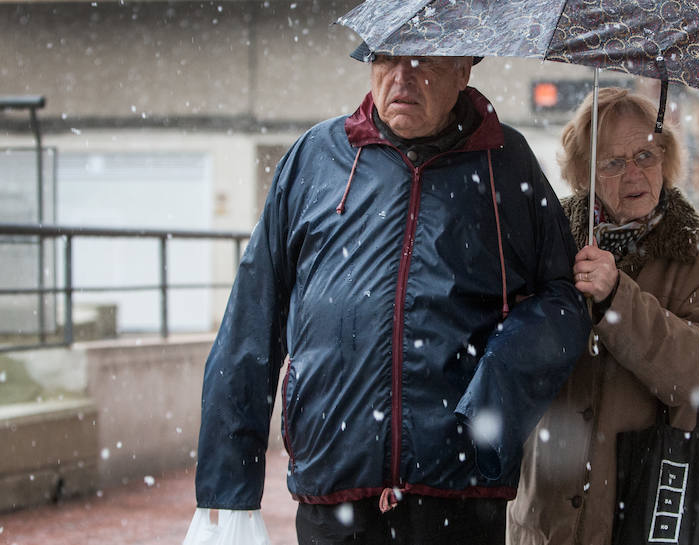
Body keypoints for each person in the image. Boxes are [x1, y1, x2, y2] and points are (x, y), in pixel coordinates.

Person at [190, 44, 591, 545]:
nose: (402, 78)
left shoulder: (506, 165)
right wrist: (228, 486)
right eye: (387, 61)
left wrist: (496, 387)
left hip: (459, 485)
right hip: (334, 474)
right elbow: (252, 319)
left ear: (464, 71)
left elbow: (562, 301)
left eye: (426, 63)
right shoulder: (315, 158)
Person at [506, 87, 699, 545]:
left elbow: (698, 375)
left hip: (646, 507)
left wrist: (618, 299)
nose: (633, 173)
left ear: (666, 158)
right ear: (584, 173)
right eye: (612, 162)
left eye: (645, 155)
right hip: (547, 510)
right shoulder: (547, 241)